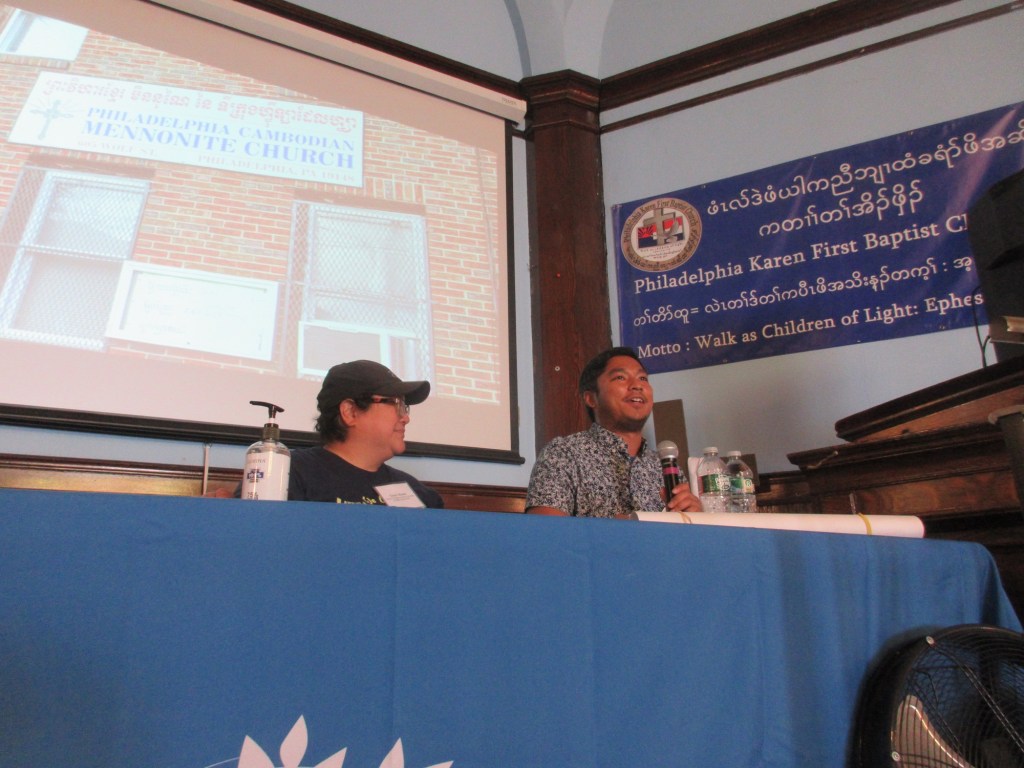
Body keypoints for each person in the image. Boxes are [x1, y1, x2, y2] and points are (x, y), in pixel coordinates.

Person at [526, 346, 701, 518]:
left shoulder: (666, 468)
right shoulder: (562, 454)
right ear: (591, 398)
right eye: (620, 377)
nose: (637, 386)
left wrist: (696, 518)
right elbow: (546, 532)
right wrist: (611, 530)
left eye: (642, 378)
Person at [286, 360, 444, 507]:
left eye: (405, 407)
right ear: (350, 412)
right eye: (397, 404)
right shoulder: (288, 473)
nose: (406, 418)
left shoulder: (422, 496)